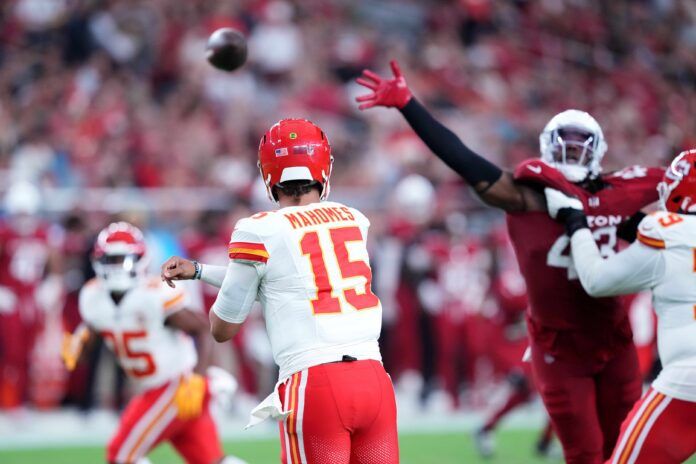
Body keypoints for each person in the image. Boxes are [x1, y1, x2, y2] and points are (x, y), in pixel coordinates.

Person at [355, 61, 664, 463]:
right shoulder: (528, 195)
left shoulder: (617, 193)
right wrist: (409, 105)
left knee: (626, 450)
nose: (571, 151)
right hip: (560, 348)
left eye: (579, 143)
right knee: (586, 454)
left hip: (615, 339)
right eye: (564, 143)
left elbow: (679, 188)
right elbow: (464, 160)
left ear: (597, 150)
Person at [161, 118, 399, 464]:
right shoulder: (353, 219)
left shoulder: (259, 230)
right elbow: (294, 282)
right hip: (374, 380)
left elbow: (223, 328)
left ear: (268, 175)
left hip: (316, 384)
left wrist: (221, 291)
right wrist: (200, 272)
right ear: (324, 168)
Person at [544, 148, 696, 463]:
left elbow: (597, 281)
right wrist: (626, 225)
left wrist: (577, 224)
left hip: (688, 379)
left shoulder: (666, 235)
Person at [61, 221, 244, 464]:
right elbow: (91, 337)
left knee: (120, 455)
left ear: (140, 259)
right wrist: (77, 346)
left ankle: (212, 383)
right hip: (155, 386)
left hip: (175, 386)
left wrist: (198, 380)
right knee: (212, 461)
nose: (116, 267)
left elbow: (201, 328)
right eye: (110, 260)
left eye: (122, 259)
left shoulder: (152, 296)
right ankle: (213, 385)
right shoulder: (93, 297)